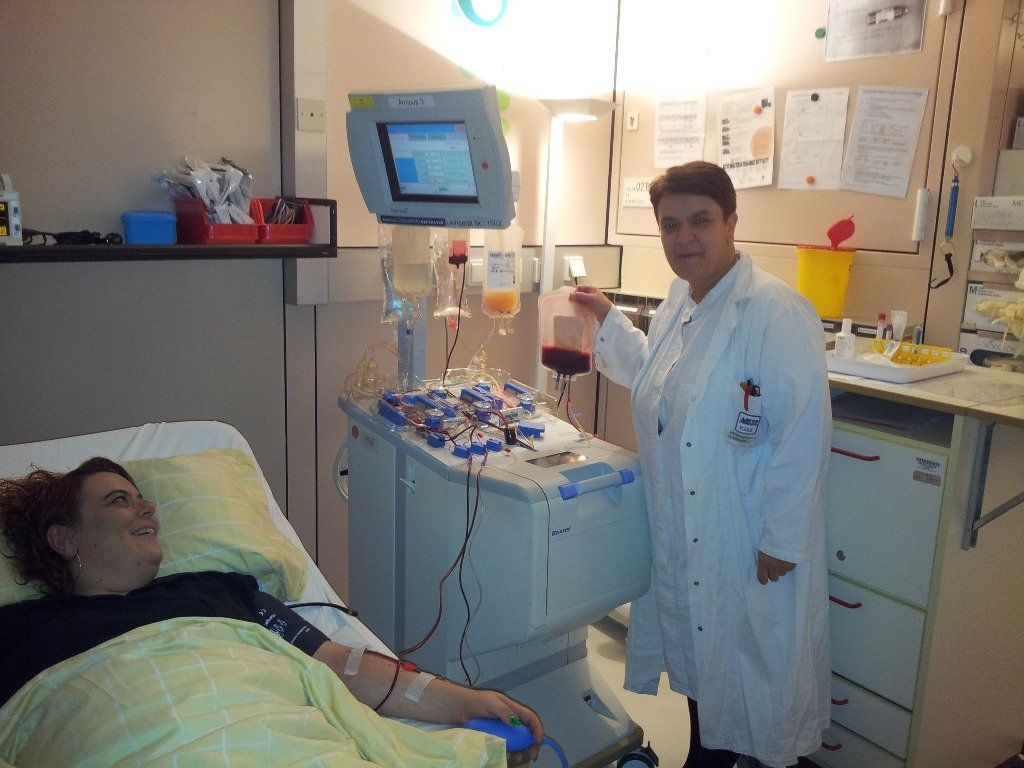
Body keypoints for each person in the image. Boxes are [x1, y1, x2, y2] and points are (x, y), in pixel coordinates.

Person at [0, 457, 543, 763]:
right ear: (64, 539)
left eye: (142, 497)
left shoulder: (217, 591)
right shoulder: (18, 634)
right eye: (117, 500)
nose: (146, 508)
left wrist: (467, 703)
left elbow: (340, 664)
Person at [570, 161, 831, 768]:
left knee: (752, 669)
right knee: (702, 659)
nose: (684, 237)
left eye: (701, 221)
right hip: (692, 526)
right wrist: (608, 318)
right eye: (670, 225)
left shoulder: (776, 312)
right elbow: (661, 382)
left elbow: (803, 437)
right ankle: (703, 754)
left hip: (745, 528)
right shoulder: (680, 303)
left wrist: (781, 540)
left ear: (731, 222)